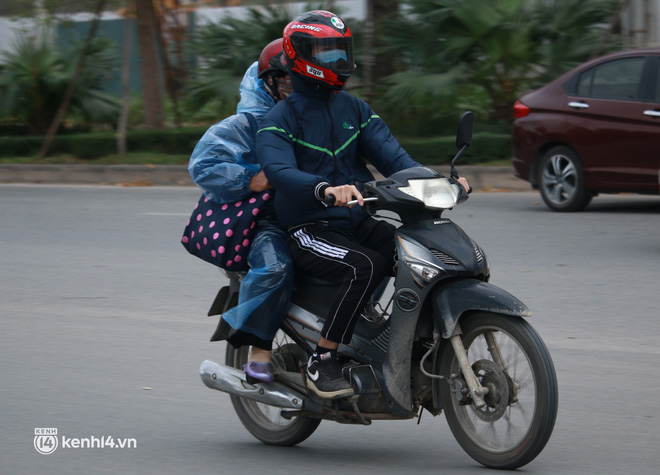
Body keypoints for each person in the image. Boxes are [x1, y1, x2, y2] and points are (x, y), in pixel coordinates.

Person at [256, 11, 470, 399]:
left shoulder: (356, 110)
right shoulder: (279, 119)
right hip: (308, 228)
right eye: (326, 53)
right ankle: (322, 360)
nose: (337, 62)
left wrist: (442, 181)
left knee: (421, 257)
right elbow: (280, 170)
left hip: (357, 218)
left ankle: (404, 342)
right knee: (364, 266)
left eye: (341, 52)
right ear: (300, 55)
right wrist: (323, 189)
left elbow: (396, 159)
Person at [188, 39, 294, 383]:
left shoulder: (320, 119)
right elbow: (203, 165)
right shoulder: (245, 125)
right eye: (287, 81)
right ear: (267, 82)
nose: (295, 89)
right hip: (264, 221)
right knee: (275, 267)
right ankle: (259, 350)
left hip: (315, 215)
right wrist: (252, 179)